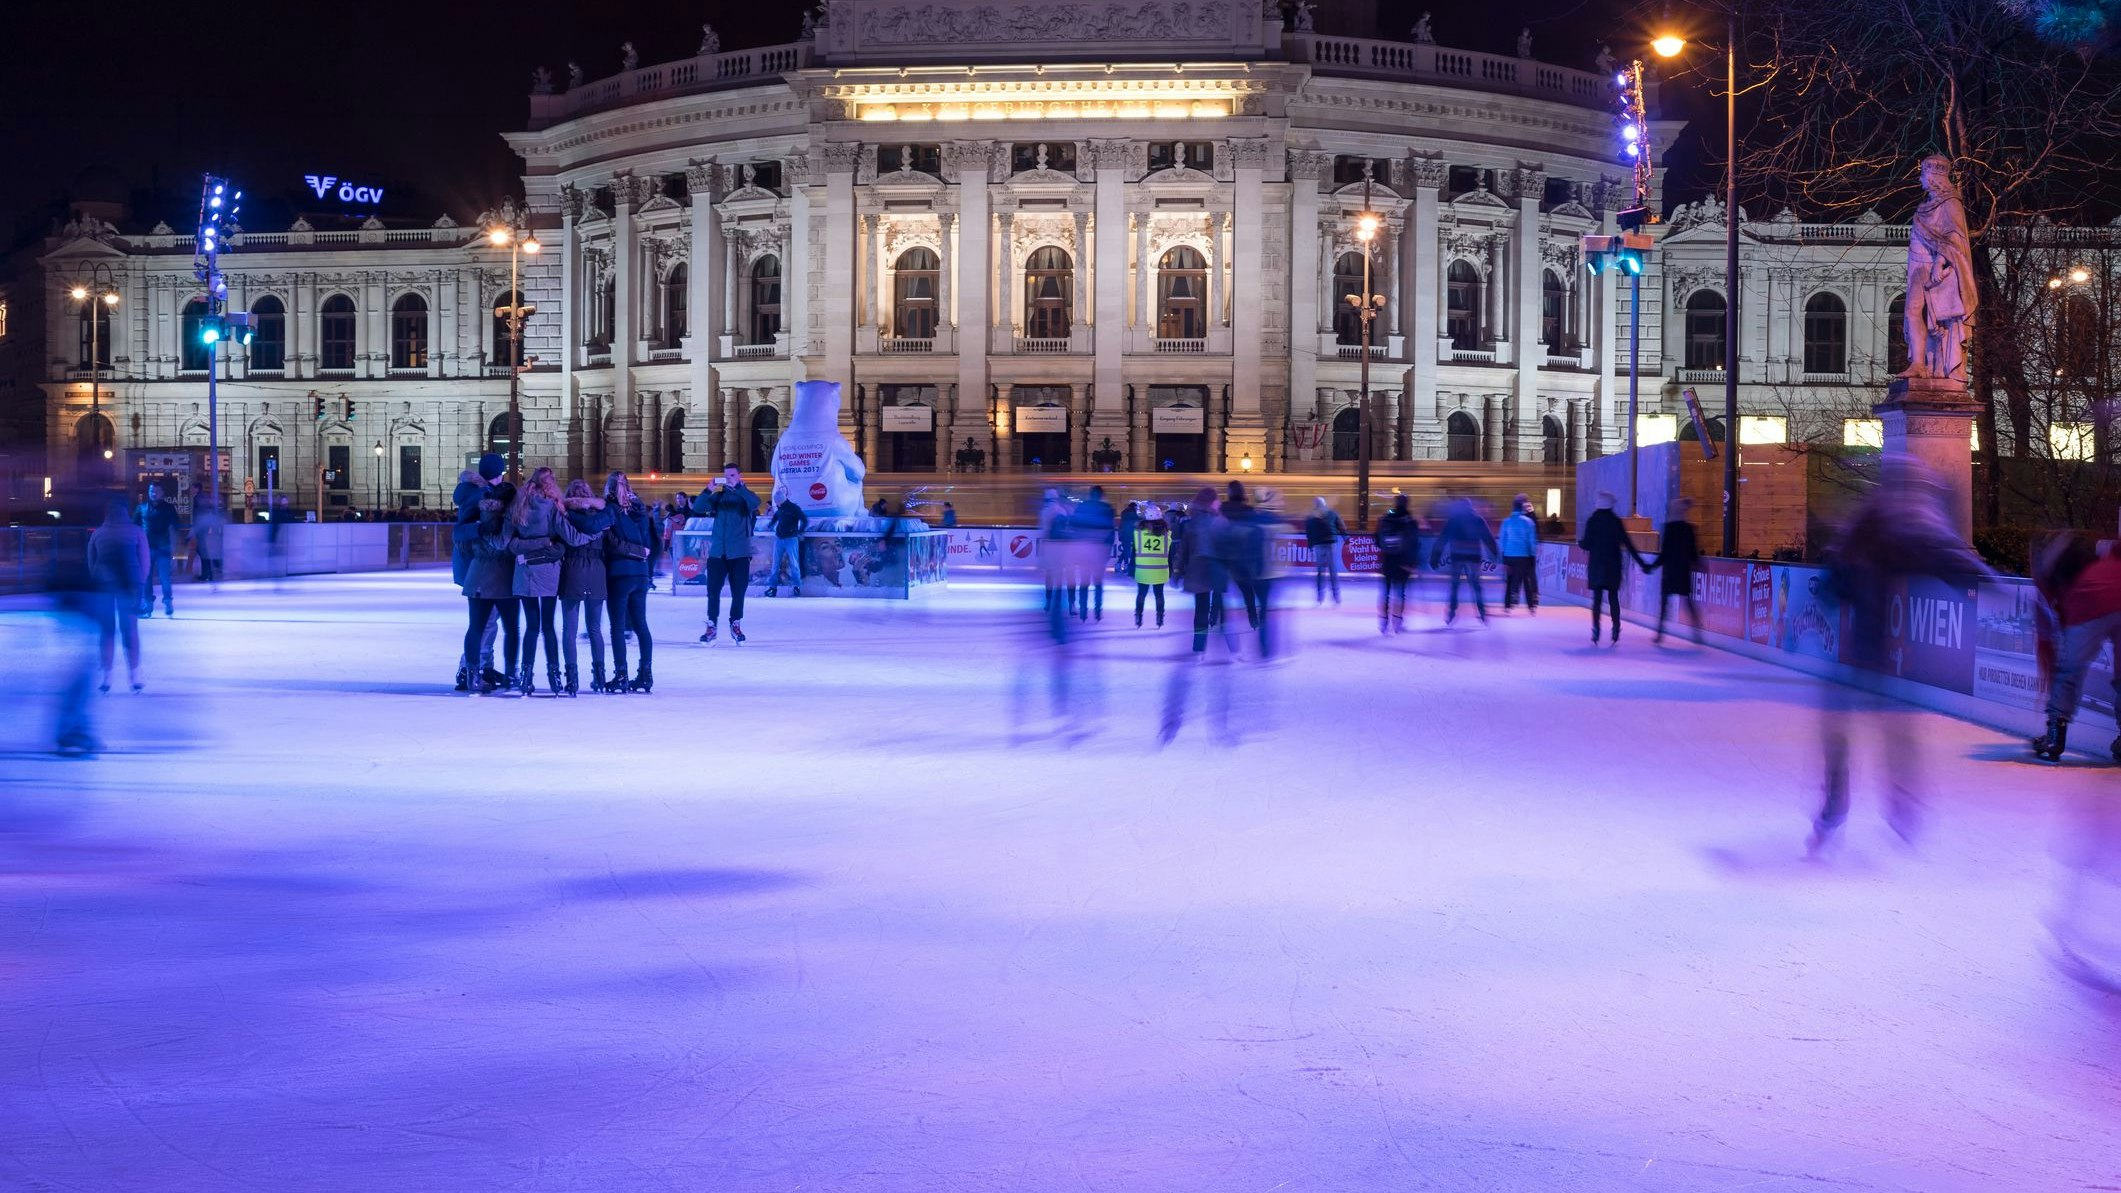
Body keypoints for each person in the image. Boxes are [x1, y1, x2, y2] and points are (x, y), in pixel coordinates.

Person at [1811, 463, 1991, 854]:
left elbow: (1940, 555)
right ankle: (1863, 804)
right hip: (1862, 659)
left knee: (1873, 729)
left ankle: (1857, 804)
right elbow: (1941, 556)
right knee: (1874, 730)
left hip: (1866, 658)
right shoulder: (1880, 533)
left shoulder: (1890, 532)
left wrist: (1981, 579)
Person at [2031, 533, 2121, 762]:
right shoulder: (2104, 556)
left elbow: (2047, 642)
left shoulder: (2048, 584)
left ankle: (2054, 736)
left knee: (2070, 670)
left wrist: (2051, 680)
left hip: (2089, 599)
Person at [505, 467, 568, 697]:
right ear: (550, 483)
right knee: (548, 626)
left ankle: (526, 676)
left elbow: (509, 542)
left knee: (531, 627)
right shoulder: (553, 506)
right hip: (548, 570)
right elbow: (565, 536)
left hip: (525, 570)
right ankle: (554, 675)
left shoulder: (519, 505)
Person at [460, 474, 521, 696]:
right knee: (512, 629)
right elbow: (508, 544)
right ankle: (511, 674)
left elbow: (462, 542)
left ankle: (473, 676)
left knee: (476, 628)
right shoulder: (510, 520)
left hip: (477, 577)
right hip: (505, 580)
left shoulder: (479, 514)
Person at [452, 454, 507, 691]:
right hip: (479, 568)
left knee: (490, 620)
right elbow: (461, 532)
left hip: (480, 567)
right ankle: (468, 669)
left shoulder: (478, 492)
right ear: (498, 474)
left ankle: (484, 666)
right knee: (484, 622)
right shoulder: (479, 496)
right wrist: (482, 529)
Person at [692, 463, 760, 644]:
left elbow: (755, 504)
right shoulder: (718, 498)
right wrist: (708, 489)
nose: (728, 478)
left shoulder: (746, 497)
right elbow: (698, 508)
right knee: (713, 591)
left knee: (739, 592)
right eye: (726, 475)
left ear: (739, 476)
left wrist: (739, 488)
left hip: (739, 553)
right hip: (718, 553)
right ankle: (711, 625)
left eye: (732, 475)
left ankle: (735, 623)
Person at [557, 478, 614, 695]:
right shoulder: (601, 517)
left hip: (572, 569)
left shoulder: (566, 516)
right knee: (595, 628)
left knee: (569, 630)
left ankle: (571, 679)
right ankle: (599, 677)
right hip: (597, 571)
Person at [89, 494, 150, 694]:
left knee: (106, 631)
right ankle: (135, 675)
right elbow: (144, 562)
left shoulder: (98, 533)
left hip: (103, 585)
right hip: (130, 585)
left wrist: (97, 580)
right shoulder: (136, 531)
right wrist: (140, 585)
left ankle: (107, 676)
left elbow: (91, 562)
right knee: (130, 630)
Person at [605, 471, 658, 693]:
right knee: (640, 625)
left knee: (617, 627)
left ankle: (621, 675)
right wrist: (640, 554)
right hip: (640, 574)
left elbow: (611, 542)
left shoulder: (610, 509)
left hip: (619, 573)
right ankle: (645, 674)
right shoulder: (640, 511)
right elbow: (647, 545)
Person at [1579, 492, 1646, 646]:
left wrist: (1581, 543)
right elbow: (1628, 544)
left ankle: (1596, 628)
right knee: (1613, 598)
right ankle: (1616, 627)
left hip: (1597, 566)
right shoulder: (1616, 522)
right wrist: (1642, 563)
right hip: (1613, 567)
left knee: (1597, 600)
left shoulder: (1593, 521)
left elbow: (1587, 544)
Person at [1171, 486, 1227, 654]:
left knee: (1201, 610)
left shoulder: (1190, 523)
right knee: (1220, 606)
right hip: (1216, 570)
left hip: (1197, 571)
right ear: (1212, 502)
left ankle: (1199, 648)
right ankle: (1230, 647)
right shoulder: (1219, 522)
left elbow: (1182, 552)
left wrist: (1176, 573)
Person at [1647, 498, 1704, 645]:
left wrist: (1652, 566)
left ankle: (1660, 633)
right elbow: (1693, 551)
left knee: (1665, 604)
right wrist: (1698, 564)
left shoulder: (1669, 529)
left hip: (1670, 571)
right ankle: (1697, 633)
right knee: (1688, 601)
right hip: (1683, 570)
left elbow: (1664, 553)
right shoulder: (1688, 529)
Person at [1431, 498, 1498, 625]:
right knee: (1476, 586)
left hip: (1457, 556)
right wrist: (1494, 554)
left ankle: (1451, 613)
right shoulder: (1478, 520)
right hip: (1473, 557)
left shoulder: (1453, 521)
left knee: (1454, 585)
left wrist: (1435, 557)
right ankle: (1482, 613)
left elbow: (1442, 539)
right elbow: (1488, 538)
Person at [1374, 493, 1421, 634]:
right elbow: (1414, 543)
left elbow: (1377, 539)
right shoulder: (1410, 520)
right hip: (1403, 561)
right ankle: (1397, 621)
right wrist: (1413, 562)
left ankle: (1383, 622)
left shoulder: (1387, 517)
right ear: (1407, 503)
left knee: (1385, 592)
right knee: (1400, 593)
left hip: (1388, 560)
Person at [1070, 484, 1118, 621]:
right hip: (1099, 551)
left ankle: (1083, 611)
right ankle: (1097, 611)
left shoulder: (1081, 507)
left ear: (1090, 494)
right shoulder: (1107, 509)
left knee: (1084, 582)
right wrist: (1107, 550)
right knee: (1098, 583)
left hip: (1084, 550)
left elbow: (1074, 528)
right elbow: (1110, 531)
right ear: (1102, 495)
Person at [134, 482, 181, 617]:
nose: (153, 493)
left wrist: (175, 547)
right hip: (146, 548)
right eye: (151, 491)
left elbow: (174, 527)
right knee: (146, 577)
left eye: (156, 491)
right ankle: (148, 604)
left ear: (162, 493)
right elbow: (134, 526)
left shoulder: (168, 508)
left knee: (164, 576)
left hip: (163, 547)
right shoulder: (141, 508)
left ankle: (168, 601)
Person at [1498, 494, 1539, 613]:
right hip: (1523, 556)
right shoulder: (1529, 522)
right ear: (1522, 508)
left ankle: (1507, 606)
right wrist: (1532, 555)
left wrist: (1503, 557)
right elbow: (1532, 541)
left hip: (1509, 556)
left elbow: (1502, 541)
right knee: (1526, 580)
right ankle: (1531, 607)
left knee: (1509, 580)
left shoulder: (1506, 522)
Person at [764, 488, 809, 597]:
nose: (777, 504)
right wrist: (769, 525)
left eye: (778, 502)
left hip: (791, 539)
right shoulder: (780, 508)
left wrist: (800, 532)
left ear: (782, 500)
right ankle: (772, 588)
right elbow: (775, 518)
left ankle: (797, 587)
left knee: (794, 564)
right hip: (779, 539)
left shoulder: (794, 508)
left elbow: (804, 520)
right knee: (775, 564)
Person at [1132, 503, 1171, 628]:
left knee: (1141, 594)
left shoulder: (1138, 533)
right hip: (1160, 569)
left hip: (1143, 569)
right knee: (1159, 594)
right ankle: (1160, 617)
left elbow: (1134, 553)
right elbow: (1170, 553)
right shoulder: (1166, 534)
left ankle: (1138, 616)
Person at [1304, 496, 1346, 605]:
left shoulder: (1311, 516)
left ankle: (1319, 597)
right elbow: (1341, 526)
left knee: (1320, 571)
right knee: (1333, 570)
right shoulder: (1332, 513)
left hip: (1318, 544)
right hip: (1331, 543)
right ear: (1324, 503)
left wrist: (1310, 546)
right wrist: (1346, 539)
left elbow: (1309, 532)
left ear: (1315, 504)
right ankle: (1336, 597)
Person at [192, 503, 225, 587]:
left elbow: (198, 527)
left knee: (207, 558)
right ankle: (210, 575)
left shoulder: (205, 517)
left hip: (206, 540)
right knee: (208, 558)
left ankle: (209, 575)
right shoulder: (210, 517)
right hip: (207, 540)